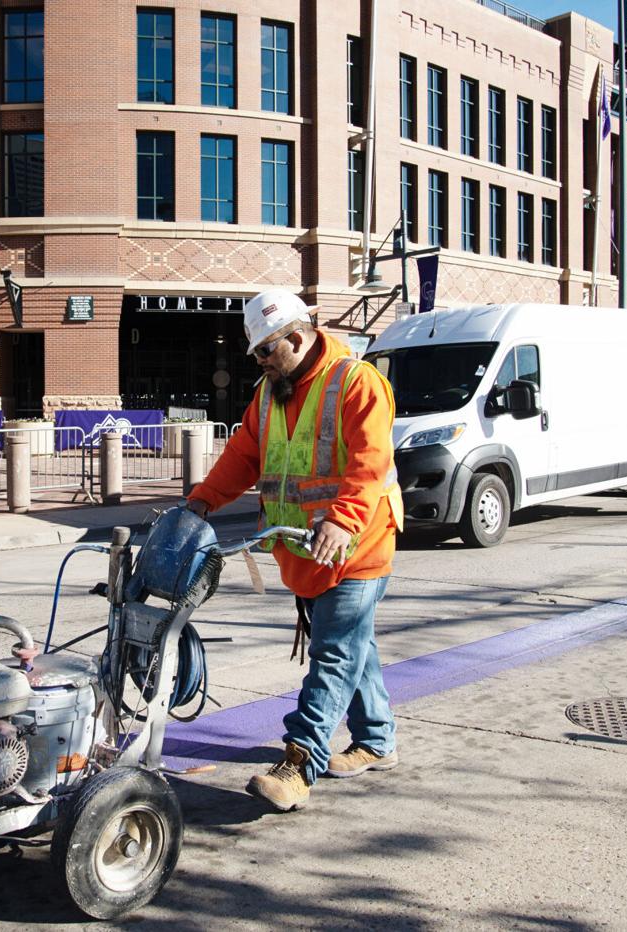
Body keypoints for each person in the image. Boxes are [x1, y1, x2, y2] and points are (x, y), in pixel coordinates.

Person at [185, 288, 404, 812]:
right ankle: (378, 740)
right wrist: (201, 502)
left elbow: (369, 462)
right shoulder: (270, 393)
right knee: (353, 646)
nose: (260, 362)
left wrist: (344, 520)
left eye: (266, 350)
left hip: (356, 544)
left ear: (298, 337)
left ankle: (300, 761)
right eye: (256, 354)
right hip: (304, 549)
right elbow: (244, 455)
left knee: (334, 652)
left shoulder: (356, 381)